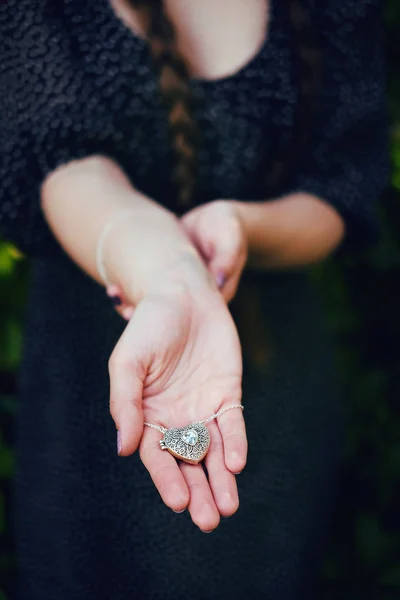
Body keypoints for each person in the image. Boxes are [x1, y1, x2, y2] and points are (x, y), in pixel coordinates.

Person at [0, 0, 388, 598]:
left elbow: (342, 191)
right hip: (91, 382)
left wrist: (244, 227)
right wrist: (172, 274)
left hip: (265, 380)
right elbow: (65, 165)